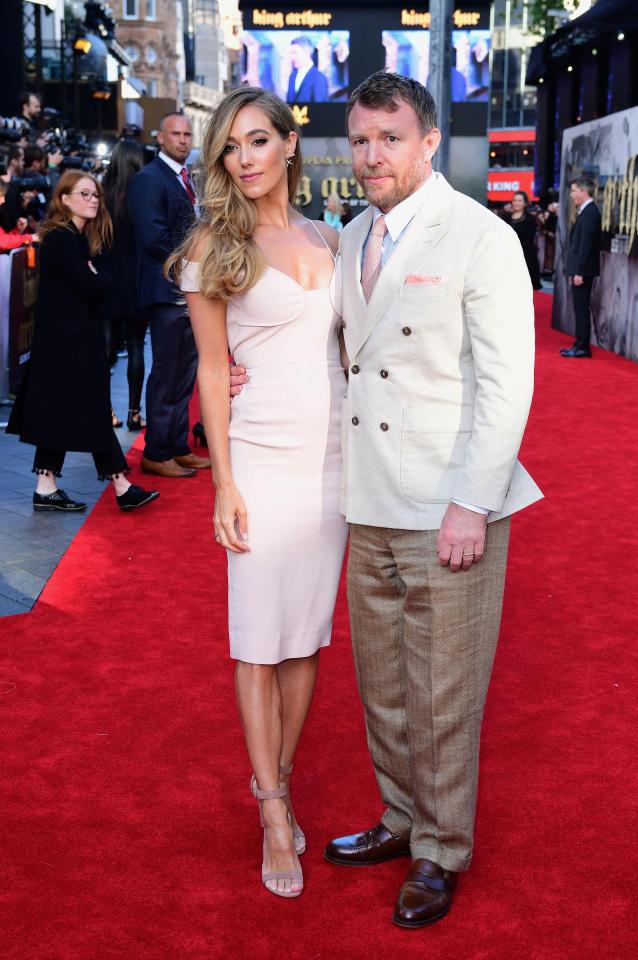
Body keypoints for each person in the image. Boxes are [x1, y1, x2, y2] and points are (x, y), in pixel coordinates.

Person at [229, 70, 543, 927]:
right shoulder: (349, 235)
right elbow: (318, 343)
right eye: (360, 141)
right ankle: (402, 819)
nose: (371, 156)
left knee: (443, 692)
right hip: (362, 500)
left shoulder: (479, 237)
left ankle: (442, 849)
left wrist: (472, 504)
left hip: (447, 504)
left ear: (429, 142)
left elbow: (506, 387)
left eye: (390, 139)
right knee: (384, 688)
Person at [168, 87, 348, 899]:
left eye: (255, 141)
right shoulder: (216, 243)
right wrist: (224, 482)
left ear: (288, 145)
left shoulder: (332, 237)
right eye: (228, 147)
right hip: (263, 460)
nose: (242, 158)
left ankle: (274, 776)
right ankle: (274, 807)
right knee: (257, 640)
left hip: (336, 465)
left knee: (306, 639)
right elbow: (212, 367)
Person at [6, 171, 159, 513]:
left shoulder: (72, 237)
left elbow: (89, 282)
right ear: (64, 199)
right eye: (85, 194)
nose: (93, 199)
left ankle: (46, 488)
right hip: (68, 342)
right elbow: (91, 286)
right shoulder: (62, 239)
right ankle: (122, 486)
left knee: (58, 414)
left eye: (96, 195)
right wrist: (98, 276)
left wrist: (94, 273)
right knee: (91, 412)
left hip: (66, 340)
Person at [128, 112, 210, 478]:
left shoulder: (185, 179)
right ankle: (157, 451)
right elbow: (153, 238)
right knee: (166, 372)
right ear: (160, 137)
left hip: (188, 288)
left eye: (188, 134)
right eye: (175, 133)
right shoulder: (148, 180)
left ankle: (177, 445)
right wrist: (194, 259)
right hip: (166, 290)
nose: (183, 140)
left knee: (184, 373)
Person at [101, 141, 148, 431]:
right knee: (135, 347)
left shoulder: (101, 197)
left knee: (105, 351)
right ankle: (133, 412)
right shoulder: (141, 196)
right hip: (136, 280)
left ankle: (106, 412)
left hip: (105, 281)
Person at [561, 177, 601, 359]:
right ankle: (579, 343)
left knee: (581, 308)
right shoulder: (586, 211)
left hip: (583, 271)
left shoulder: (591, 212)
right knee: (579, 308)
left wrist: (579, 272)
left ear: (583, 191)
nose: (571, 195)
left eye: (573, 190)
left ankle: (583, 346)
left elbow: (587, 246)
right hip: (580, 270)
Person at [504, 190, 542, 290]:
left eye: (519, 201)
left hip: (524, 259)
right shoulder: (505, 217)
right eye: (514, 200)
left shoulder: (530, 219)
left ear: (525, 203)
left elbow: (529, 240)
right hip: (506, 257)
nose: (516, 203)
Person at [286, 37, 329, 103]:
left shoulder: (319, 78)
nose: (291, 57)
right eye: (291, 53)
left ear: (307, 53)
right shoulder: (292, 76)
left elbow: (321, 110)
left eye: (295, 53)